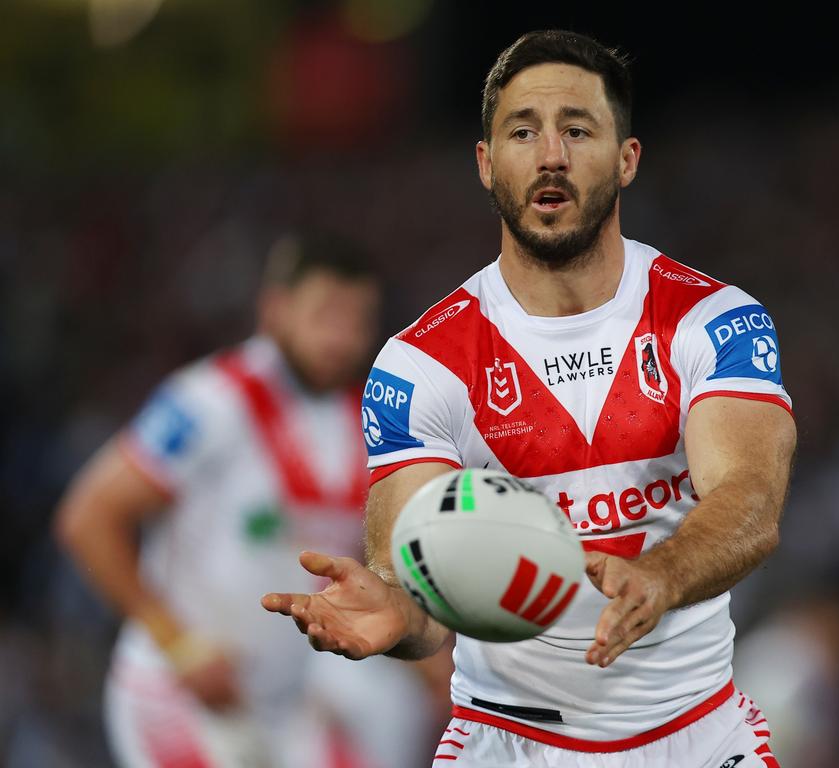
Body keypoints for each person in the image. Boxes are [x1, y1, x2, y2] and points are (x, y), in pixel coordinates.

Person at [263, 30, 797, 768]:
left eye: (578, 129)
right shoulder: (420, 366)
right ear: (487, 165)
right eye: (523, 131)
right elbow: (417, 586)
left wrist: (663, 573)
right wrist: (394, 612)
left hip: (701, 743)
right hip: (510, 748)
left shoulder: (712, 320)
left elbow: (750, 500)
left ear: (627, 158)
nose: (551, 154)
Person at [56, 232, 448, 768]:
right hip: (180, 695)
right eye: (325, 314)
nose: (340, 336)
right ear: (276, 309)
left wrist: (429, 663)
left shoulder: (366, 421)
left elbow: (361, 566)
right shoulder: (210, 401)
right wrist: (180, 647)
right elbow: (89, 517)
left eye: (358, 320)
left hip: (282, 705)